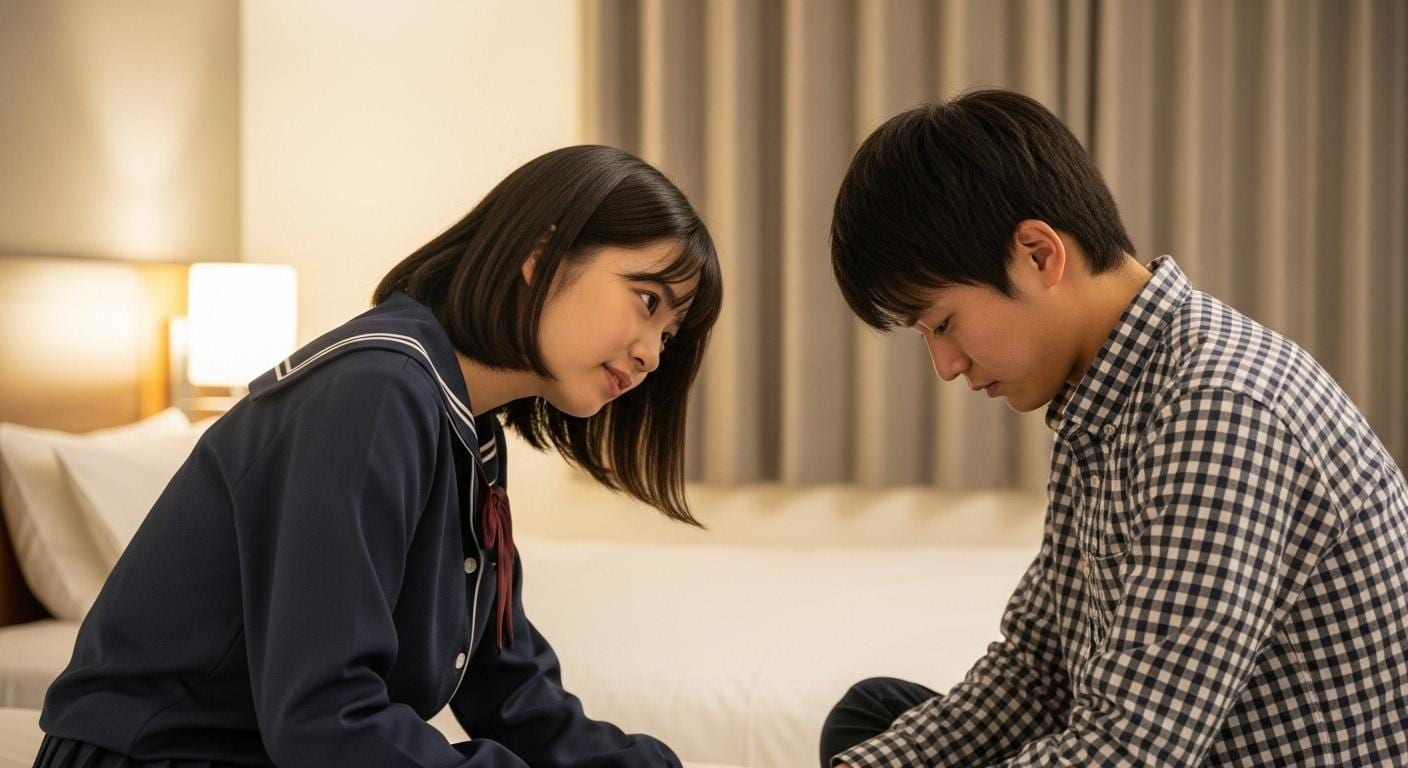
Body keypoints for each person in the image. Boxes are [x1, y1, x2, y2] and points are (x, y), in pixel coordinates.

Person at [36, 145, 722, 768]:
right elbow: (326, 716)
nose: (652, 355)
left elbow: (506, 684)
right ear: (540, 257)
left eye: (669, 333)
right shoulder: (376, 393)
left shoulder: (467, 426)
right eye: (647, 301)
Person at [821, 90, 1408, 767]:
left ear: (1038, 254)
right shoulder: (1103, 396)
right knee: (872, 720)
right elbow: (1037, 673)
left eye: (944, 324)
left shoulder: (1218, 406)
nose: (946, 366)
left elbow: (1129, 749)